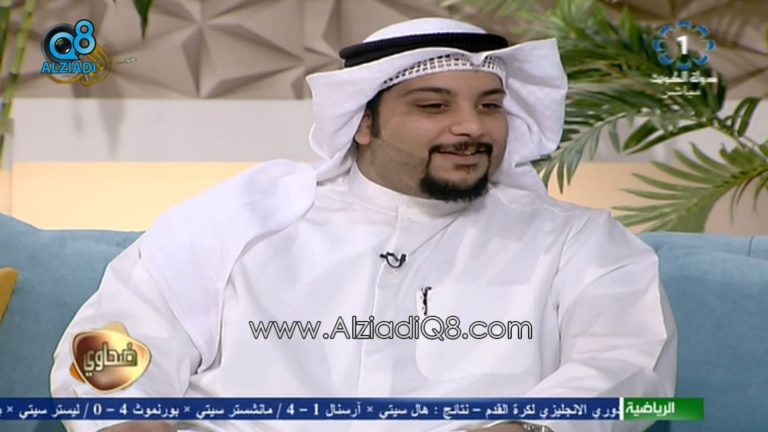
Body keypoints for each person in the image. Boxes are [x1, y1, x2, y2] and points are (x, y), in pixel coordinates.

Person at [50, 17, 677, 432]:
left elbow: (627, 366)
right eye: (433, 105)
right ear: (364, 123)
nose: (471, 127)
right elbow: (113, 342)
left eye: (489, 105)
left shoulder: (577, 243)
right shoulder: (244, 216)